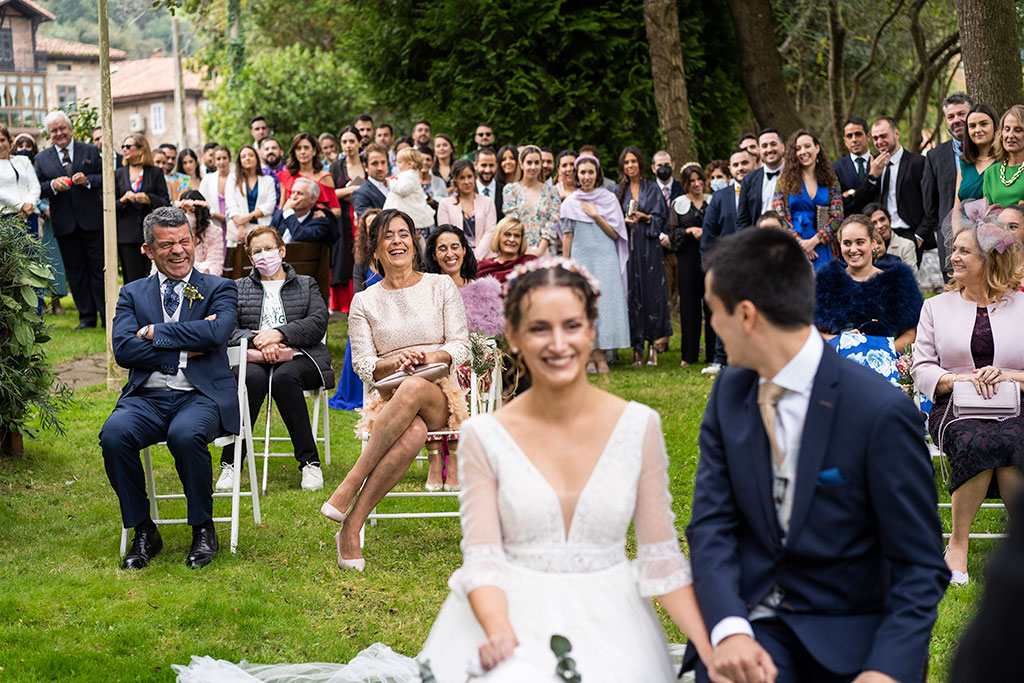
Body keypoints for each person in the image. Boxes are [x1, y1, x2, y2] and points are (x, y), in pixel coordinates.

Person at [415, 257, 716, 681]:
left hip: (613, 621)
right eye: (540, 328)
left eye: (572, 325)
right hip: (510, 613)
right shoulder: (485, 435)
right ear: (515, 337)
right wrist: (500, 632)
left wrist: (711, 648)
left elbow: (661, 560)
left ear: (591, 330)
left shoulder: (638, 425)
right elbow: (482, 558)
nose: (558, 343)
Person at [685, 226, 949, 683]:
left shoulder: (878, 412)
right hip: (752, 622)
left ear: (746, 316)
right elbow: (712, 524)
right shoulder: (730, 392)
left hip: (850, 636)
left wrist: (885, 670)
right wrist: (729, 629)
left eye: (713, 313)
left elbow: (920, 565)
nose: (712, 325)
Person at [320, 209, 470, 570]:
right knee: (413, 432)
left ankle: (350, 481)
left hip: (440, 393)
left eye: (404, 234)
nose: (397, 241)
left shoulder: (440, 286)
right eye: (388, 236)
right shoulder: (364, 301)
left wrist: (427, 355)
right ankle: (351, 528)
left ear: (415, 243)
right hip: (390, 397)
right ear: (375, 250)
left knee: (417, 385)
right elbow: (363, 365)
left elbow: (461, 346)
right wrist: (396, 361)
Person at [99, 207, 239, 571]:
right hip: (147, 397)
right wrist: (183, 347)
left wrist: (154, 332)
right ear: (147, 250)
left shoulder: (219, 288)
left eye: (184, 241)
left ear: (194, 241)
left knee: (186, 433)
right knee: (113, 435)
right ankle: (144, 529)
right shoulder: (132, 294)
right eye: (166, 245)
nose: (179, 251)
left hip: (201, 396)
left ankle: (202, 528)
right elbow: (124, 350)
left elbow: (217, 334)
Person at [912, 209, 1024, 586]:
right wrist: (955, 381)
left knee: (1011, 439)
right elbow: (921, 367)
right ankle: (957, 546)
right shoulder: (935, 308)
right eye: (954, 250)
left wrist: (1006, 375)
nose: (953, 258)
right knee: (976, 439)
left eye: (964, 252)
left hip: (1016, 404)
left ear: (989, 260)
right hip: (955, 407)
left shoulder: (1022, 307)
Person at [216, 225, 334, 493]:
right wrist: (259, 340)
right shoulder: (237, 288)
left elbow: (317, 323)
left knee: (284, 377)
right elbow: (227, 329)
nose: (263, 255)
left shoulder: (306, 284)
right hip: (253, 358)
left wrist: (279, 334)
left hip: (302, 358)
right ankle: (231, 463)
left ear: (282, 250)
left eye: (269, 249)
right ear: (249, 258)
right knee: (248, 379)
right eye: (256, 251)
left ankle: (309, 463)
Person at [423, 224, 504, 490]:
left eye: (455, 246)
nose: (449, 254)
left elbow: (493, 339)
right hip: (436, 365)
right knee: (431, 376)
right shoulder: (425, 290)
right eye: (442, 248)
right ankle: (436, 459)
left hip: (475, 367)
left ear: (464, 251)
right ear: (434, 255)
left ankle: (455, 459)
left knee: (458, 374)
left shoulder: (482, 291)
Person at [35, 110, 104, 329]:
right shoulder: (41, 158)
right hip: (65, 224)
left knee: (98, 269)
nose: (59, 133)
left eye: (62, 128)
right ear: (49, 134)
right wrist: (53, 186)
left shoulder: (91, 150)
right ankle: (87, 318)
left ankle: (106, 314)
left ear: (70, 128)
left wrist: (88, 180)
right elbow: (36, 189)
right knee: (76, 273)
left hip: (91, 221)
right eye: (53, 130)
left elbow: (107, 178)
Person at [561, 154, 630, 373]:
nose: (587, 176)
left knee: (604, 306)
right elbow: (567, 235)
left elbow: (614, 233)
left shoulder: (608, 199)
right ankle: (588, 355)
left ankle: (602, 355)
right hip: (582, 258)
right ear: (577, 175)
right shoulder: (571, 202)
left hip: (605, 258)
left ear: (597, 174)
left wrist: (596, 215)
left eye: (591, 172)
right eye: (583, 172)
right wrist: (566, 262)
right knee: (584, 306)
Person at [814, 215, 922, 350]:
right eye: (847, 243)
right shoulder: (826, 281)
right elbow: (812, 332)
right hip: (839, 363)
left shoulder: (898, 281)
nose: (853, 249)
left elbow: (911, 333)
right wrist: (841, 341)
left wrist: (882, 352)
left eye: (860, 242)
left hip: (886, 365)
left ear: (873, 243)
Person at [701, 148, 755, 376]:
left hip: (756, 263)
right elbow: (708, 234)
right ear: (730, 169)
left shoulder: (761, 192)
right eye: (736, 164)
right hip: (727, 265)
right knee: (727, 312)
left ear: (753, 164)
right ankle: (721, 359)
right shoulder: (720, 198)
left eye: (745, 163)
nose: (741, 167)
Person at [617, 146, 671, 366]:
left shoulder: (652, 188)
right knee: (632, 294)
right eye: (626, 162)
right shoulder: (618, 190)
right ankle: (636, 348)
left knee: (652, 293)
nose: (630, 166)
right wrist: (624, 221)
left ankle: (652, 347)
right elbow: (612, 217)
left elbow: (662, 217)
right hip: (628, 246)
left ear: (640, 164)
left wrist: (646, 218)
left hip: (649, 246)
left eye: (634, 161)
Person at [772, 129, 844, 271]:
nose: (803, 151)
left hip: (823, 244)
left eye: (807, 146)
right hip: (793, 245)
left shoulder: (831, 181)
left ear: (817, 148)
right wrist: (801, 244)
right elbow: (779, 216)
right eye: (798, 149)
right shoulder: (784, 181)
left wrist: (813, 242)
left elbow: (838, 216)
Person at [856, 116, 926, 254]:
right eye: (875, 138)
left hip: (908, 233)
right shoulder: (873, 163)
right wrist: (872, 176)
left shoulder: (918, 163)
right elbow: (860, 203)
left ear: (896, 134)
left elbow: (931, 203)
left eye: (883, 136)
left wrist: (920, 235)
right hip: (878, 235)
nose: (879, 142)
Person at [920, 92, 973, 270]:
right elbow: (930, 204)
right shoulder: (934, 157)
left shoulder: (992, 151)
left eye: (961, 114)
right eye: (950, 116)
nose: (956, 120)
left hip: (986, 239)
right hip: (950, 242)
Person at [670, 164, 714, 367]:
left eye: (699, 179)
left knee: (712, 305)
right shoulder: (678, 203)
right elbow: (672, 235)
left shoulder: (713, 201)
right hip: (688, 258)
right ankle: (689, 354)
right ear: (685, 184)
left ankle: (714, 353)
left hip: (711, 257)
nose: (696, 184)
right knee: (689, 305)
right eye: (692, 181)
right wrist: (690, 231)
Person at [18, 133, 67, 313]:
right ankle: (40, 301)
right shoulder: (15, 167)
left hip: (47, 221)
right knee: (33, 262)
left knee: (53, 260)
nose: (24, 148)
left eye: (28, 145)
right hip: (28, 217)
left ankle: (56, 300)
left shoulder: (39, 165)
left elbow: (41, 189)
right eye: (20, 145)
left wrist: (45, 207)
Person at [115, 134, 170, 283]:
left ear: (140, 149)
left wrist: (149, 199)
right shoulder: (119, 173)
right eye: (123, 147)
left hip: (152, 233)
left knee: (155, 275)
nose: (124, 149)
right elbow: (109, 207)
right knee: (132, 278)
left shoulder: (155, 172)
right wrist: (123, 200)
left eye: (128, 146)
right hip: (127, 235)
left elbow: (165, 202)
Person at [328, 125, 366, 313]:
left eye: (352, 141)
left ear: (359, 142)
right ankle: (345, 304)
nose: (348, 145)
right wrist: (352, 190)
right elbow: (330, 193)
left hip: (364, 216)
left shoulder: (367, 162)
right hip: (343, 217)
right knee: (345, 256)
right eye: (344, 142)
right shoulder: (336, 166)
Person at [502, 144, 561, 256]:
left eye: (537, 163)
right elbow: (512, 220)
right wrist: (525, 251)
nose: (533, 167)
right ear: (521, 164)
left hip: (546, 250)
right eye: (529, 163)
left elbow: (552, 222)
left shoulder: (552, 191)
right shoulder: (510, 190)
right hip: (518, 249)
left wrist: (539, 252)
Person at [436, 158, 497, 259]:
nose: (467, 181)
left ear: (475, 177)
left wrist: (475, 257)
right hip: (456, 258)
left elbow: (490, 231)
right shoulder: (445, 204)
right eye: (462, 178)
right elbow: (445, 234)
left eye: (469, 176)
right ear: (455, 180)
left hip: (485, 258)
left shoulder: (488, 202)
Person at [278, 133, 341, 218]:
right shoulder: (286, 176)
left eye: (306, 148)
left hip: (316, 226)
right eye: (298, 148)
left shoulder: (325, 177)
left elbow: (337, 210)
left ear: (314, 151)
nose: (302, 152)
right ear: (294, 152)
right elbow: (282, 208)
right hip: (291, 224)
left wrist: (324, 214)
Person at [225, 145, 276, 247]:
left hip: (262, 228)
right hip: (238, 231)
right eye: (243, 156)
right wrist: (241, 227)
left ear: (257, 159)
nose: (247, 158)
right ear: (240, 161)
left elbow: (270, 205)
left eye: (250, 155)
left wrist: (247, 217)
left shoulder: (268, 180)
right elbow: (231, 204)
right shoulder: (233, 179)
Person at [383, 146, 436, 240]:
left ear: (409, 164)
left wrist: (392, 182)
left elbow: (402, 190)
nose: (397, 165)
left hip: (412, 216)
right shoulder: (407, 175)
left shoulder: (409, 176)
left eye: (400, 162)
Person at [737, 128, 785, 229]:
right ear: (759, 150)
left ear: (782, 147)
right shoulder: (748, 180)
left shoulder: (797, 174)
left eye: (773, 144)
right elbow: (743, 220)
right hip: (760, 239)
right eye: (764, 146)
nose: (769, 149)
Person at [956, 103, 998, 205]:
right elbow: (956, 207)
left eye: (983, 124)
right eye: (972, 126)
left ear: (995, 126)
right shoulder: (964, 164)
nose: (978, 130)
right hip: (963, 221)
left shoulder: (1005, 161)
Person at [983, 104, 1024, 208]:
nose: (1010, 135)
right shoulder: (991, 173)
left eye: (1018, 130)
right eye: (1007, 129)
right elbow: (987, 215)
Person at [269, 177, 332, 243]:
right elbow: (267, 238)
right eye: (293, 193)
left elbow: (300, 236)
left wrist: (288, 212)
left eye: (299, 193)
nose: (294, 197)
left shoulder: (320, 222)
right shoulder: (279, 215)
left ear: (313, 199)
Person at [477, 216, 538, 283]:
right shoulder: (483, 266)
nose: (512, 239)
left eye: (517, 236)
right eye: (507, 234)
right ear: (498, 237)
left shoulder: (531, 262)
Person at [831, 117, 872, 214]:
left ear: (868, 136)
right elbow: (839, 204)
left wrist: (851, 193)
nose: (854, 140)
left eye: (858, 134)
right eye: (849, 136)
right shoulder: (835, 168)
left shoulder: (880, 163)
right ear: (845, 141)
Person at [178, 189, 223, 277]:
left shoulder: (214, 232)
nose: (186, 215)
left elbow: (215, 267)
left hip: (205, 282)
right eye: (183, 211)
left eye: (192, 211)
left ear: (200, 212)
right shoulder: (174, 232)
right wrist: (202, 267)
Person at [0, 124, 40, 220]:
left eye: (2, 140)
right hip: (7, 217)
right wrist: (21, 205)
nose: (0, 145)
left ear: (9, 141)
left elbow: (35, 186)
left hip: (30, 214)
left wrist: (30, 205)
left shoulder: (24, 160)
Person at [198, 145, 231, 256]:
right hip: (215, 222)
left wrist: (230, 218)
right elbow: (202, 202)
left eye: (224, 158)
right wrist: (217, 215)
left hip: (233, 223)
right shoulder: (208, 179)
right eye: (218, 159)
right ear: (214, 161)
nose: (222, 162)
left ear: (229, 159)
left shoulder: (236, 178)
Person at [865, 202, 916, 272]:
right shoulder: (864, 248)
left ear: (889, 219)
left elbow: (912, 278)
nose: (880, 226)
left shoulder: (906, 245)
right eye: (874, 223)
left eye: (882, 219)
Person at [352, 143, 389, 219]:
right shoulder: (360, 194)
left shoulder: (396, 185)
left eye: (383, 162)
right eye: (374, 164)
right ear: (365, 167)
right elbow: (370, 223)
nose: (380, 168)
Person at [475, 146, 505, 220]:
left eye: (491, 165)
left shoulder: (505, 190)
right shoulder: (468, 190)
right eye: (483, 165)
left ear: (496, 165)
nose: (487, 170)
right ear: (475, 165)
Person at [258, 137, 286, 205]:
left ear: (281, 152)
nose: (270, 151)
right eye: (267, 149)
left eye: (274, 148)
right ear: (262, 154)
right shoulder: (259, 174)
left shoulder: (289, 171)